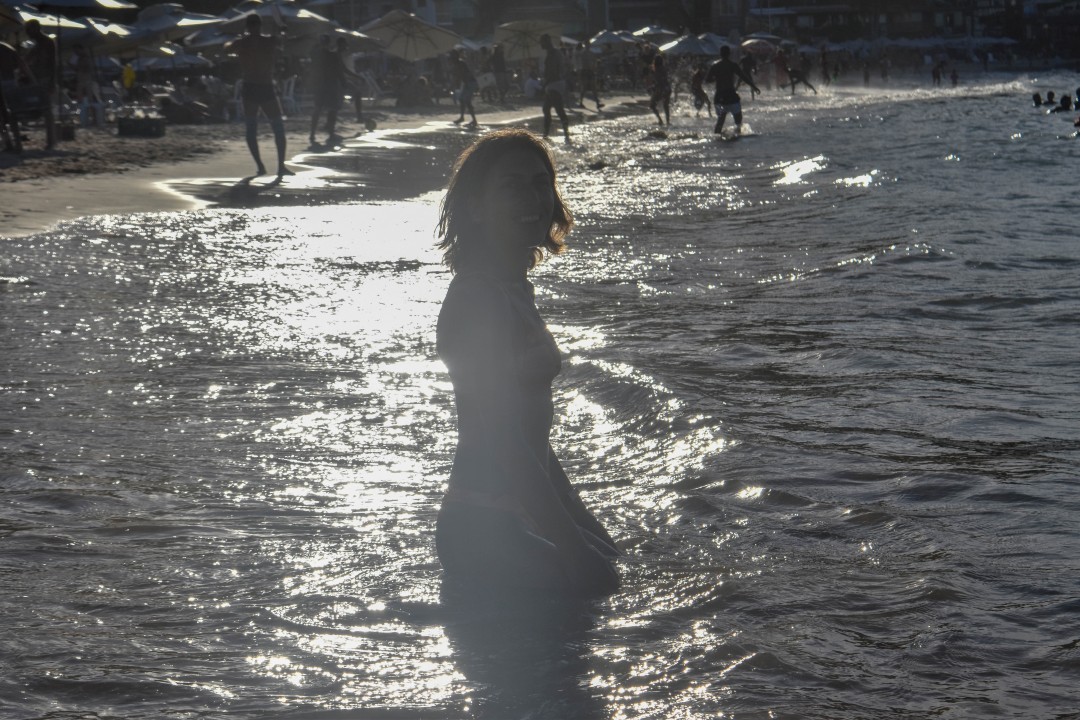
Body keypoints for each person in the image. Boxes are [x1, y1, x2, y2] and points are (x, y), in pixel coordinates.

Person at [434, 128, 621, 597]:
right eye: (512, 185)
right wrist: (576, 550)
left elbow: (529, 434)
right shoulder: (477, 298)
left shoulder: (512, 288)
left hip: (519, 512)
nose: (533, 197)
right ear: (476, 207)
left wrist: (584, 526)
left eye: (541, 183)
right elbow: (504, 442)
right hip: (483, 524)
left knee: (612, 572)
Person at [224, 13, 290, 178]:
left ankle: (260, 166)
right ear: (260, 25)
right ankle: (281, 166)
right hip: (266, 86)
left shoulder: (242, 43)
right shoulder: (269, 41)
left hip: (250, 87)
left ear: (247, 26)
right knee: (278, 127)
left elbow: (226, 48)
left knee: (252, 128)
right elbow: (282, 39)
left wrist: (238, 39)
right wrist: (282, 28)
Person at [705, 45, 760, 137]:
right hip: (731, 96)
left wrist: (717, 78)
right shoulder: (732, 65)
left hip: (719, 96)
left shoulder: (715, 66)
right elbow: (743, 77)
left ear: (720, 54)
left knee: (720, 120)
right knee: (738, 119)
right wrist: (754, 87)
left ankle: (716, 138)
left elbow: (707, 80)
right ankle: (737, 136)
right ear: (729, 54)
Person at [23, 19, 57, 150]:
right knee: (44, 109)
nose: (27, 34)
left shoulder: (47, 43)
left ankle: (51, 141)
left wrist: (52, 82)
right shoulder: (37, 45)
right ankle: (51, 140)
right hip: (37, 80)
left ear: (36, 29)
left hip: (45, 80)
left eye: (29, 31)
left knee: (47, 110)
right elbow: (26, 60)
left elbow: (53, 64)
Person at [539, 34, 570, 141]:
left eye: (541, 42)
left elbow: (552, 72)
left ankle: (565, 134)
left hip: (554, 84)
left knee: (558, 109)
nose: (540, 44)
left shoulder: (552, 53)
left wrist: (544, 85)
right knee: (547, 108)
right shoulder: (553, 52)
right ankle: (547, 135)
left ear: (546, 42)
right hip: (554, 84)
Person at [449, 49, 478, 128]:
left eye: (452, 57)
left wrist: (453, 85)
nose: (451, 58)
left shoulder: (460, 64)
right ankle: (463, 118)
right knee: (463, 100)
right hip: (467, 83)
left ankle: (473, 120)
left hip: (470, 83)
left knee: (466, 101)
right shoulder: (458, 64)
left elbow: (460, 75)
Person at [649, 53, 671, 126]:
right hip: (667, 88)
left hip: (661, 88)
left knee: (652, 105)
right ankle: (668, 121)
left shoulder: (657, 70)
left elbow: (659, 80)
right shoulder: (664, 68)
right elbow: (665, 79)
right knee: (666, 105)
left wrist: (653, 87)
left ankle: (660, 120)